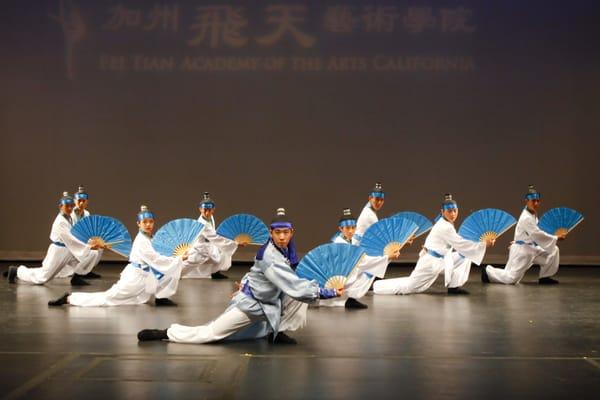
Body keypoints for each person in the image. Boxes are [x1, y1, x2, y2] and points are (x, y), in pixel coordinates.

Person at [137, 208, 342, 345]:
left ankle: (275, 332)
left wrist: (245, 282)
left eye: (285, 232)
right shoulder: (269, 255)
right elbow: (292, 284)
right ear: (271, 233)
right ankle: (167, 333)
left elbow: (267, 272)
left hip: (270, 301)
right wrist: (328, 292)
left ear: (291, 233)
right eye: (277, 232)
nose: (282, 236)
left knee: (301, 294)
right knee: (212, 334)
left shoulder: (286, 248)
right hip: (253, 304)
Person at [48, 205, 186, 307]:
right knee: (109, 298)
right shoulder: (142, 241)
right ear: (138, 224)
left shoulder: (151, 237)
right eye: (145, 222)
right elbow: (156, 259)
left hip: (147, 276)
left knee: (166, 273)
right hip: (136, 278)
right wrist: (178, 259)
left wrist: (176, 257)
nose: (148, 225)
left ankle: (161, 298)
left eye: (151, 222)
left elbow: (159, 254)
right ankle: (71, 298)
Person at [373, 194, 495, 295]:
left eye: (455, 210)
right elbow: (460, 243)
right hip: (431, 262)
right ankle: (377, 286)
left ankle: (454, 287)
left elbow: (460, 244)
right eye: (449, 211)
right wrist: (484, 244)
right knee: (410, 287)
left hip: (441, 259)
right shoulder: (445, 226)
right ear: (442, 212)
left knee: (466, 255)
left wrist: (479, 244)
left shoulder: (445, 223)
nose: (453, 214)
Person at [6, 191, 103, 286]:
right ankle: (17, 271)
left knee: (92, 254)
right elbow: (71, 240)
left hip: (70, 250)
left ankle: (77, 277)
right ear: (60, 206)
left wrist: (92, 242)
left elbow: (77, 234)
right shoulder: (60, 222)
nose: (70, 208)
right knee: (43, 277)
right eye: (67, 206)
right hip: (60, 251)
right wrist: (89, 245)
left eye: (71, 206)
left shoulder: (70, 218)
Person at [482, 185, 565, 285]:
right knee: (511, 279)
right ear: (526, 201)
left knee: (554, 250)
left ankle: (545, 277)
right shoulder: (526, 217)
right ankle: (487, 271)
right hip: (523, 251)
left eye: (537, 201)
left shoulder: (532, 214)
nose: (536, 203)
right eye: (533, 201)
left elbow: (533, 233)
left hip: (531, 248)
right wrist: (556, 237)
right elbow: (536, 234)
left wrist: (519, 239)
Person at [325, 208, 398, 309]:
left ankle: (349, 298)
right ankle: (348, 299)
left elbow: (363, 254)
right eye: (347, 228)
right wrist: (387, 257)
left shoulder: (350, 239)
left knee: (367, 269)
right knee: (367, 270)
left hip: (345, 273)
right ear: (341, 229)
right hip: (338, 277)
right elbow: (362, 261)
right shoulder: (340, 243)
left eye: (353, 228)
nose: (351, 231)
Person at [183, 192, 239, 280]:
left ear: (213, 210)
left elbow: (214, 235)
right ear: (200, 209)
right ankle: (174, 273)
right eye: (204, 210)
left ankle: (215, 272)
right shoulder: (202, 223)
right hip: (200, 247)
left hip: (210, 244)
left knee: (221, 253)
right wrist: (236, 243)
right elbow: (215, 237)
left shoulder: (210, 217)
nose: (207, 212)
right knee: (190, 263)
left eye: (210, 210)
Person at [55, 185, 104, 282]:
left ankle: (87, 270)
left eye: (83, 201)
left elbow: (87, 231)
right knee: (92, 250)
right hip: (71, 242)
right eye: (79, 200)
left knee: (100, 247)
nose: (81, 203)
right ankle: (80, 271)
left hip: (81, 240)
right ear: (74, 201)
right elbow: (70, 234)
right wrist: (89, 244)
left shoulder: (86, 213)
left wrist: (94, 240)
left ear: (87, 202)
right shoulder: (70, 214)